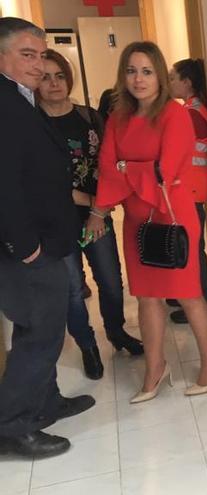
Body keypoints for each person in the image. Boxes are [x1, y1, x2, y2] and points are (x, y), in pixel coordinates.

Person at [96, 41, 207, 403]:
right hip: (137, 219)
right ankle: (155, 369)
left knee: (188, 295)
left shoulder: (174, 114)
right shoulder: (117, 117)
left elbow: (165, 171)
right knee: (147, 297)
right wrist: (129, 172)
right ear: (124, 75)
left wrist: (127, 168)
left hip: (173, 214)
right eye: (131, 70)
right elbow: (107, 166)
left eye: (147, 71)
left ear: (159, 76)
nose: (139, 79)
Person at [0, 17, 95, 458]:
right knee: (39, 333)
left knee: (46, 329)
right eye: (27, 55)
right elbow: (4, 182)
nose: (38, 66)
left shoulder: (21, 98)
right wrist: (25, 245)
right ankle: (13, 427)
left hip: (47, 239)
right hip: (29, 246)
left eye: (41, 55)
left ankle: (45, 402)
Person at [37, 49, 144, 381]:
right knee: (71, 289)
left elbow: (111, 167)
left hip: (97, 215)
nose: (54, 83)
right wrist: (85, 198)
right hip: (55, 224)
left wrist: (100, 207)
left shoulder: (90, 118)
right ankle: (87, 346)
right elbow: (37, 181)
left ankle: (116, 332)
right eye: (45, 77)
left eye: (59, 76)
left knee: (112, 283)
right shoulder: (31, 123)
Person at [167, 58, 207, 325]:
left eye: (173, 77)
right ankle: (188, 296)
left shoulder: (190, 114)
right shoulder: (193, 109)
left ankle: (203, 302)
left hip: (189, 190)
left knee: (193, 248)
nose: (169, 82)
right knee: (188, 246)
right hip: (191, 189)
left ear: (186, 82)